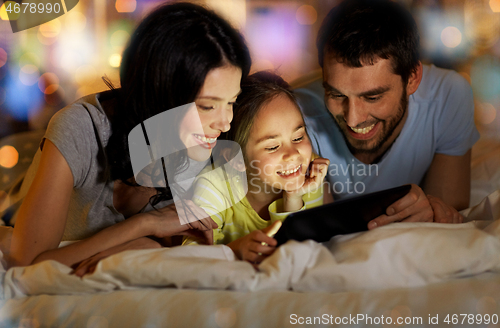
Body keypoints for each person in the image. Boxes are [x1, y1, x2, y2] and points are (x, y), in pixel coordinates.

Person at [4, 2, 251, 269]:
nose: (225, 123)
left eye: (231, 102)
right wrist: (144, 225)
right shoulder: (80, 127)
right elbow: (26, 263)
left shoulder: (200, 147)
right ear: (161, 93)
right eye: (207, 106)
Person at [294, 0, 479, 227]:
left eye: (372, 97)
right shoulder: (295, 113)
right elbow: (316, 227)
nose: (353, 118)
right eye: (336, 94)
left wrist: (432, 209)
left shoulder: (448, 95)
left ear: (412, 78)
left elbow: (446, 215)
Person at [187, 72, 331, 264]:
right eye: (273, 147)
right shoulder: (212, 186)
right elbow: (189, 257)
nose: (294, 154)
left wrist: (293, 197)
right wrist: (234, 250)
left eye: (298, 138)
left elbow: (304, 249)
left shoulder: (309, 172)